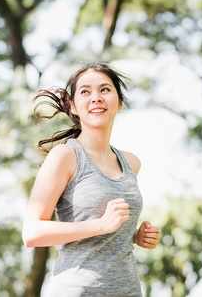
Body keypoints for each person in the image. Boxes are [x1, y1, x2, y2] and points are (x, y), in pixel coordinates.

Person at [21, 62, 160, 297]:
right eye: (85, 91)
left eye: (105, 89)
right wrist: (100, 225)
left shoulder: (131, 163)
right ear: (74, 106)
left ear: (120, 102)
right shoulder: (65, 156)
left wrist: (135, 235)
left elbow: (110, 231)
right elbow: (32, 233)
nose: (96, 97)